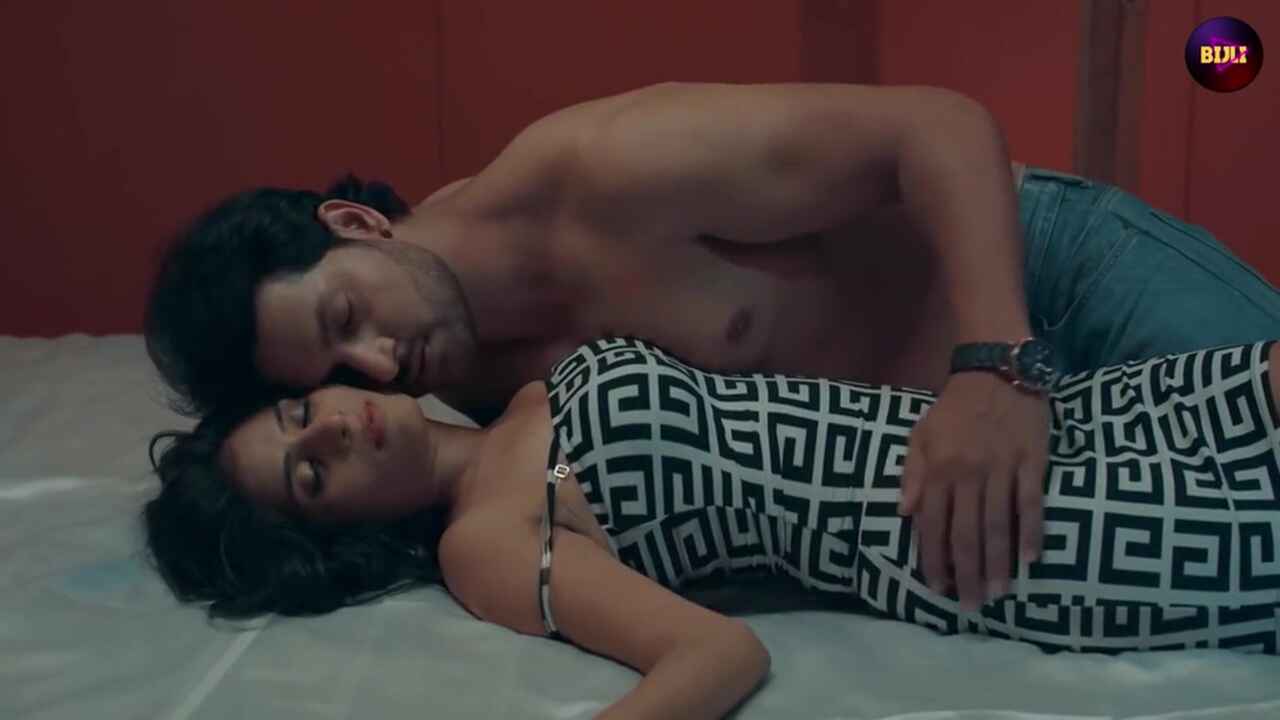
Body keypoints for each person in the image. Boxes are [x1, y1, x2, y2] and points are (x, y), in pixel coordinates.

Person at [143, 81, 1280, 615]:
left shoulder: (601, 169)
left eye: (348, 319)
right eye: (335, 378)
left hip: (1044, 284)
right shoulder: (466, 403)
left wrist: (992, 364)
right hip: (982, 453)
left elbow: (934, 128)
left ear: (356, 225)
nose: (382, 368)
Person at [144, 336, 1280, 718]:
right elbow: (715, 653)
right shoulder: (481, 539)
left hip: (1021, 421)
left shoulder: (516, 395)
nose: (332, 429)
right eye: (311, 475)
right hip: (965, 524)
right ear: (334, 533)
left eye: (296, 414)